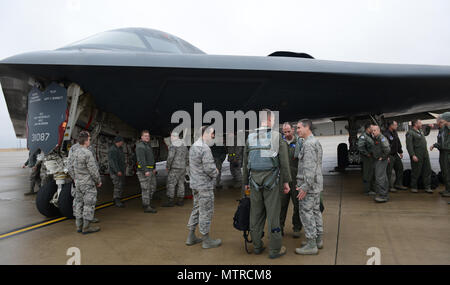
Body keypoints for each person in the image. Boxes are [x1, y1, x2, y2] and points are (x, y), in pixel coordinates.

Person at [243, 109, 291, 259]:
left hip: (254, 181)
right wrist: (286, 182)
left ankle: (257, 246)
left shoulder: (250, 137)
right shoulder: (277, 137)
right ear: (271, 120)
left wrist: (246, 183)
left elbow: (245, 164)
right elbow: (284, 162)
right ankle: (275, 249)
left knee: (255, 214)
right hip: (272, 181)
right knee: (273, 215)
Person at [186, 126, 221, 249]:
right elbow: (209, 169)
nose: (213, 136)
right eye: (212, 134)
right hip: (204, 186)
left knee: (196, 209)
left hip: (195, 185)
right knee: (206, 211)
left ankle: (191, 236)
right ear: (205, 133)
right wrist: (216, 171)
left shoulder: (194, 146)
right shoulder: (205, 148)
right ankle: (206, 240)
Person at [295, 119, 323, 255]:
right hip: (316, 185)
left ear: (307, 128)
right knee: (316, 211)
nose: (297, 130)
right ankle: (318, 240)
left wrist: (305, 187)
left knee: (307, 213)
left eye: (299, 128)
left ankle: (312, 244)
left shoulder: (309, 145)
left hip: (309, 186)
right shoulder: (313, 142)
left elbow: (309, 168)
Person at [69, 131, 102, 234]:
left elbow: (69, 167)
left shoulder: (74, 152)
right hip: (88, 184)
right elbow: (93, 170)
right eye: (89, 139)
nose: (90, 141)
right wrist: (98, 181)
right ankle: (86, 227)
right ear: (86, 141)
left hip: (78, 183)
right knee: (89, 204)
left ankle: (79, 226)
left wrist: (75, 178)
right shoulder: (87, 153)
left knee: (78, 203)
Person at [279, 122, 302, 238]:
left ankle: (297, 227)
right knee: (281, 205)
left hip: (296, 179)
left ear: (292, 130)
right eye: (284, 132)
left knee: (297, 205)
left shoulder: (299, 142)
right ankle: (280, 227)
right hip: (283, 179)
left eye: (288, 131)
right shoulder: (279, 143)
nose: (287, 134)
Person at [406, 120, 432, 193]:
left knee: (427, 170)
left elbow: (426, 133)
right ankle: (414, 186)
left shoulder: (420, 130)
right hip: (417, 154)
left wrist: (428, 127)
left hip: (425, 154)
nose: (421, 124)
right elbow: (409, 145)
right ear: (415, 124)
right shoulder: (410, 133)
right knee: (416, 171)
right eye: (420, 123)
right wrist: (412, 155)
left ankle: (427, 187)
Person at [163, 131, 189, 207]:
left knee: (171, 183)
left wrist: (168, 167)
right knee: (181, 183)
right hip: (182, 168)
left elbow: (170, 157)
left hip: (174, 168)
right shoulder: (184, 145)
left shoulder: (173, 145)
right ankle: (180, 200)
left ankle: (170, 201)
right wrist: (186, 164)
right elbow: (187, 156)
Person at [135, 130, 158, 213]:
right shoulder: (140, 146)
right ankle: (146, 206)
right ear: (141, 137)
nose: (147, 137)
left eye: (148, 136)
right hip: (144, 171)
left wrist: (154, 168)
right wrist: (145, 170)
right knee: (146, 189)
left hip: (151, 170)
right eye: (145, 136)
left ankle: (148, 203)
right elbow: (141, 160)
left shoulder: (148, 145)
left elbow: (151, 158)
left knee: (153, 187)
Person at [383, 121, 407, 192]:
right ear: (391, 125)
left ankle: (398, 184)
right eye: (395, 125)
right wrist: (386, 156)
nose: (397, 126)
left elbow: (398, 142)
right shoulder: (385, 134)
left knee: (400, 168)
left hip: (395, 154)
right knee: (389, 172)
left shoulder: (395, 132)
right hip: (389, 155)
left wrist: (400, 151)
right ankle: (390, 187)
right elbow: (384, 147)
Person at [431, 113, 450, 197]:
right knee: (445, 173)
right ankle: (447, 189)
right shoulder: (442, 129)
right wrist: (434, 145)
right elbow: (441, 142)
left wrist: (445, 120)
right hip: (442, 152)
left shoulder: (447, 127)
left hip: (447, 153)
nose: (437, 122)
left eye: (439, 120)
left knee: (447, 172)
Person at [372, 125, 391, 203]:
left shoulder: (382, 138)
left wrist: (383, 157)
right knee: (382, 177)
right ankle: (382, 193)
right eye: (372, 130)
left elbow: (387, 149)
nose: (373, 132)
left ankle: (383, 196)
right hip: (378, 160)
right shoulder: (376, 138)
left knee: (380, 178)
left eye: (375, 130)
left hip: (381, 160)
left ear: (379, 130)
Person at [357, 123, 375, 195]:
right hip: (367, 158)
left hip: (371, 157)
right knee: (367, 173)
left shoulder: (370, 136)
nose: (373, 129)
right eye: (371, 128)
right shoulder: (363, 136)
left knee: (371, 173)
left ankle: (371, 188)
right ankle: (367, 190)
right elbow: (360, 146)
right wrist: (367, 153)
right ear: (368, 128)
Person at [108, 136, 126, 208]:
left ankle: (118, 198)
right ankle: (116, 200)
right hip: (115, 172)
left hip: (121, 170)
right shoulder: (113, 150)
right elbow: (112, 162)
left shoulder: (119, 149)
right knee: (117, 186)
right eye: (122, 141)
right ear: (119, 141)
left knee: (120, 185)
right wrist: (117, 170)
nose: (123, 143)